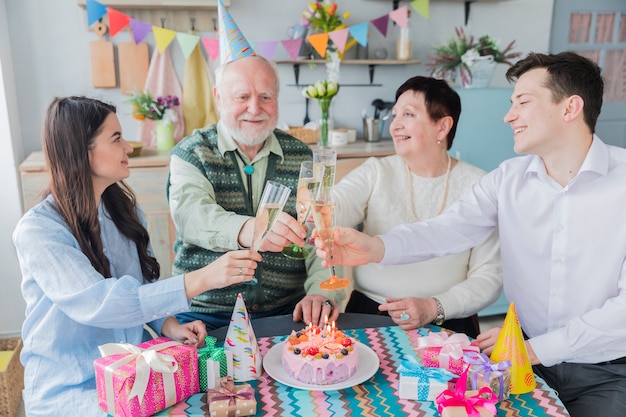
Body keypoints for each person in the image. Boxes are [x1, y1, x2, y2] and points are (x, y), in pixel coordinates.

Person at [315, 51, 626, 417]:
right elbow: (446, 231)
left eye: (522, 103)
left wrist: (532, 348)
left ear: (570, 107)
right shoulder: (507, 180)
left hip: (605, 368)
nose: (509, 116)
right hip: (522, 357)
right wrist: (375, 247)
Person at [12, 97, 261, 417]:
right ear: (81, 151)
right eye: (116, 139)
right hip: (73, 390)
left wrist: (168, 325)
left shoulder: (123, 211)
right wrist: (203, 278)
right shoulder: (39, 231)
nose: (128, 147)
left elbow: (142, 285)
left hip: (133, 374)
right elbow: (104, 304)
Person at [167, 55, 343, 330]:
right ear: (218, 97)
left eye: (265, 96)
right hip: (204, 314)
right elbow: (192, 217)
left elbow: (321, 234)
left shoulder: (301, 156)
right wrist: (252, 230)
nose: (254, 108)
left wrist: (321, 291)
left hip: (287, 312)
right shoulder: (192, 153)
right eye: (242, 96)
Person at [332, 76, 502, 338]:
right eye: (395, 114)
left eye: (408, 114)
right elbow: (337, 204)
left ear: (442, 127)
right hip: (370, 312)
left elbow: (489, 277)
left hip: (447, 321)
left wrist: (435, 307)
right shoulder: (376, 170)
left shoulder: (479, 184)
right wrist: (316, 207)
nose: (395, 125)